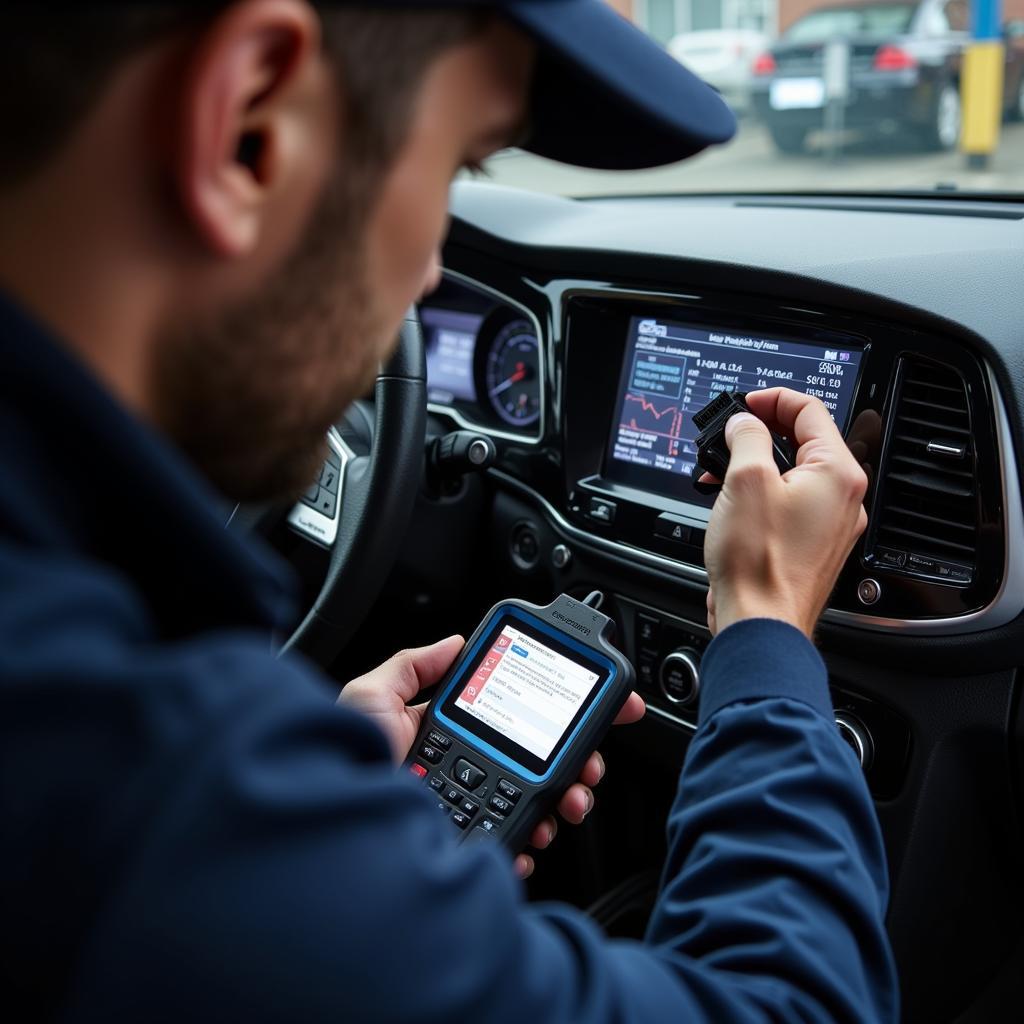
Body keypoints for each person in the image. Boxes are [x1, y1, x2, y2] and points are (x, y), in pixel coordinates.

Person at [0, 1, 897, 1021]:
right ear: (248, 127)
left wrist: (311, 790)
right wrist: (770, 631)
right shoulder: (157, 802)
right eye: (457, 167)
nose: (431, 273)